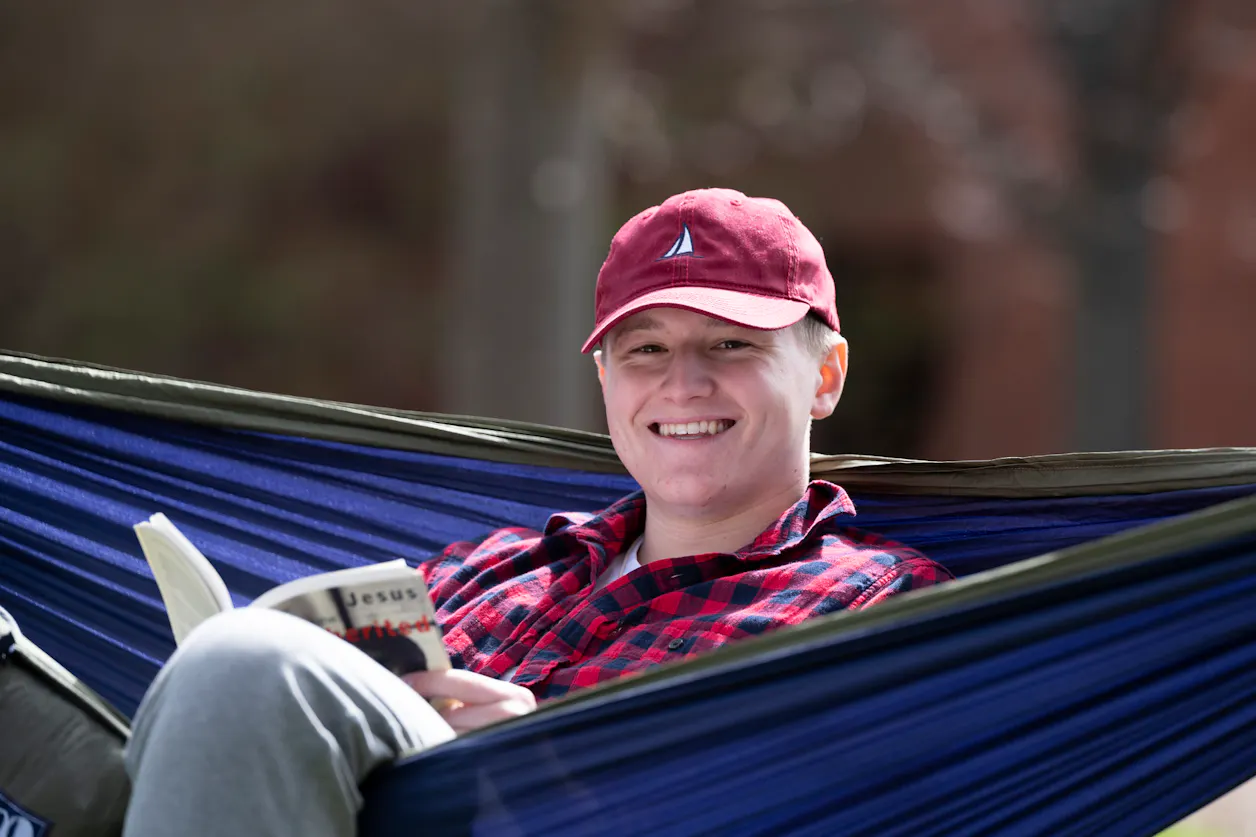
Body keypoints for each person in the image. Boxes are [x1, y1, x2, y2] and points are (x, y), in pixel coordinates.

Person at [121, 188, 954, 836]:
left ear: (825, 375)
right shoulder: (489, 568)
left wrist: (545, 768)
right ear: (607, 382)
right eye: (646, 349)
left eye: (732, 343)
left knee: (246, 663)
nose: (683, 382)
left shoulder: (885, 610)